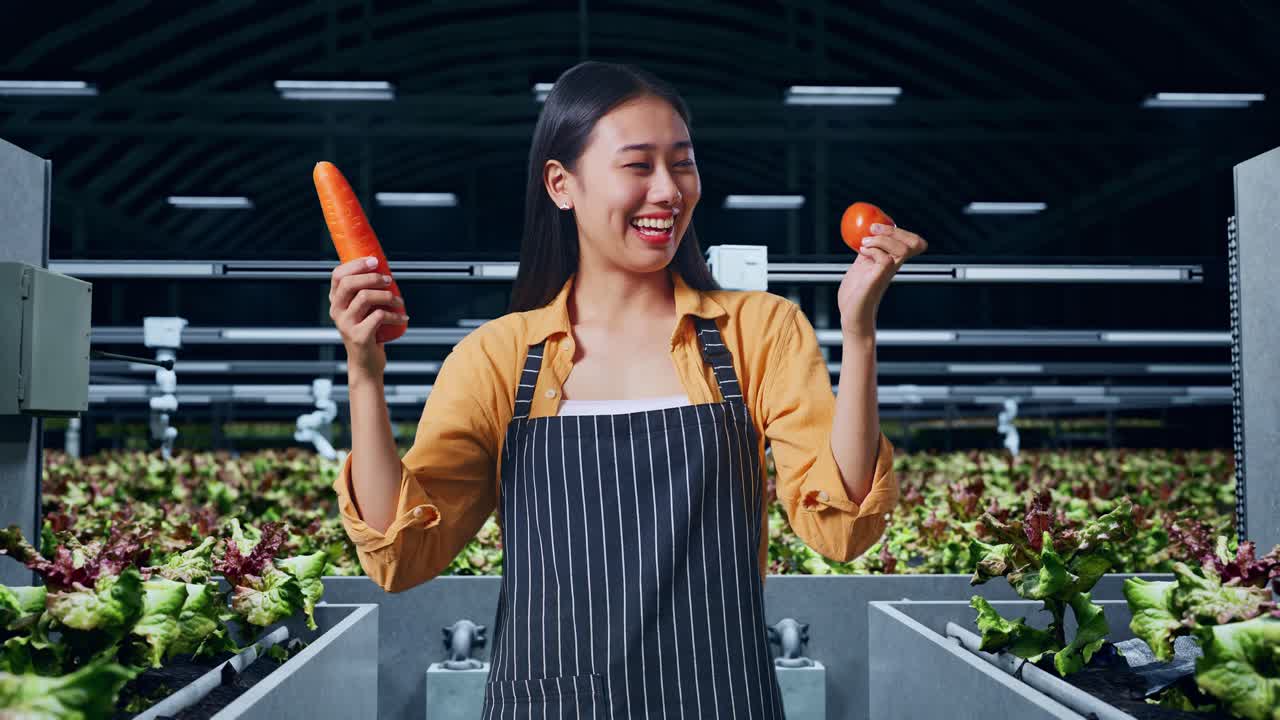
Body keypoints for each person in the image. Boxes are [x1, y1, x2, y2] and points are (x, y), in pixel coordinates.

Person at [329, 60, 926, 719]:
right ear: (562, 184)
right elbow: (403, 554)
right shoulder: (499, 358)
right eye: (639, 166)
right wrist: (365, 374)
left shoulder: (757, 333)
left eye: (682, 163)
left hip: (723, 702)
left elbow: (840, 528)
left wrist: (859, 331)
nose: (668, 190)